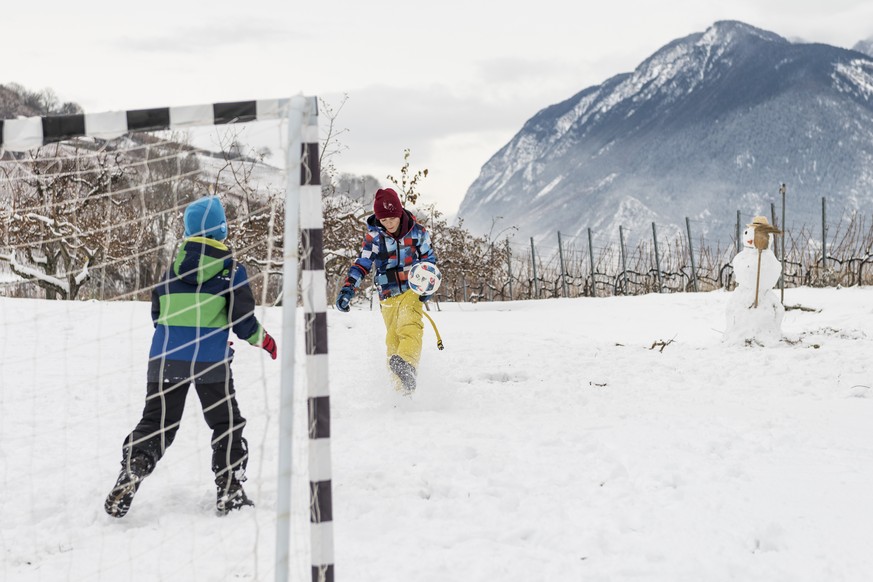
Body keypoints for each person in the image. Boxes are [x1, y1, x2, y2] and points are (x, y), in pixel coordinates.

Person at [104, 196, 278, 518]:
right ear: (222, 231)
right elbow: (243, 323)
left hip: (165, 359)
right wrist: (265, 341)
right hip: (210, 363)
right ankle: (230, 492)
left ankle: (134, 468)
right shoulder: (231, 270)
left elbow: (157, 314)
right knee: (226, 423)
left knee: (156, 422)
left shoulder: (172, 269)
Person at [335, 187, 437, 393]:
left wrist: (428, 285)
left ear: (399, 212)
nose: (388, 224)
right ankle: (402, 390)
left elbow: (429, 260)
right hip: (387, 294)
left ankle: (408, 364)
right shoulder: (375, 238)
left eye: (392, 218)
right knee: (393, 339)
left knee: (409, 326)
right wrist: (348, 288)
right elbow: (362, 263)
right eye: (384, 220)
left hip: (412, 289)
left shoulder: (418, 232)